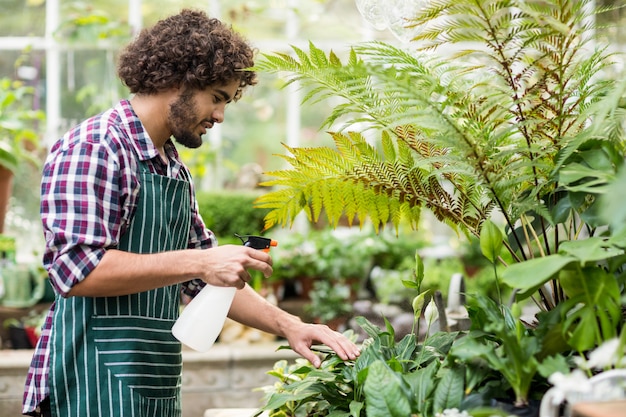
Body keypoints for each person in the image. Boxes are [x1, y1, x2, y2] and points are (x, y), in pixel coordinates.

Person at [22, 9, 360, 417]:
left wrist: (290, 325)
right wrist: (202, 261)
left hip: (151, 385)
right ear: (176, 80)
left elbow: (206, 282)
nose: (220, 115)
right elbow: (75, 270)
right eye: (217, 98)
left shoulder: (172, 168)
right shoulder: (96, 148)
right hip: (86, 386)